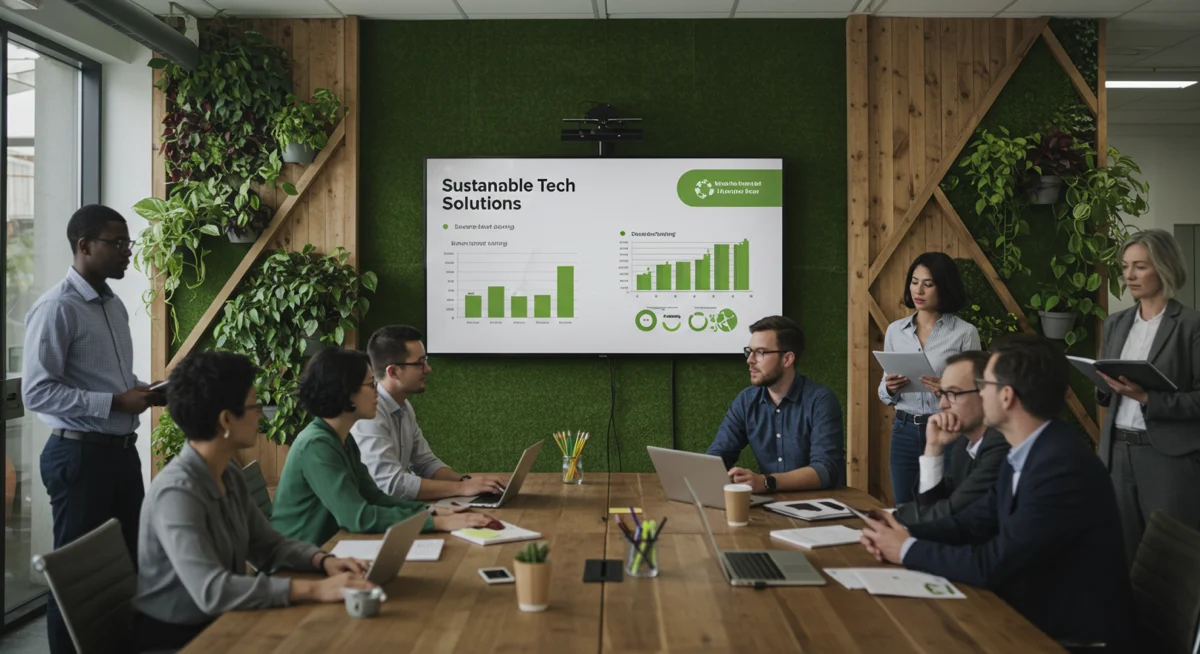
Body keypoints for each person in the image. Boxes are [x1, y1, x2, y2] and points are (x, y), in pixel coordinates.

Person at [859, 334, 1132, 649]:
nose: (979, 393)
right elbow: (972, 522)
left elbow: (993, 564)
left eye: (984, 385)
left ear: (1006, 396)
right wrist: (901, 532)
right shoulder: (1031, 449)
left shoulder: (1060, 465)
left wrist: (906, 549)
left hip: (1067, 637)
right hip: (1026, 612)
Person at [133, 351, 375, 651]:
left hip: (225, 620)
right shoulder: (176, 492)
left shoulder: (228, 472)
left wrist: (323, 561)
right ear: (226, 420)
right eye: (254, 406)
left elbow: (269, 546)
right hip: (182, 639)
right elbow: (212, 590)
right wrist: (315, 589)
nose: (260, 415)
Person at [22, 205, 165, 654]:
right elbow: (37, 393)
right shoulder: (56, 308)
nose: (127, 252)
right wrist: (115, 402)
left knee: (125, 567)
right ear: (84, 246)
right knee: (78, 577)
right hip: (79, 457)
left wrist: (142, 390)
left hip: (120, 453)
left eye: (128, 243)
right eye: (117, 243)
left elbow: (107, 379)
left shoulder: (113, 305)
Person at [271, 347, 493, 546]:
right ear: (345, 391)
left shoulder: (342, 438)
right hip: (298, 560)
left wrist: (433, 511)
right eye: (371, 385)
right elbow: (358, 517)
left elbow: (375, 498)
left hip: (328, 548)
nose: (377, 392)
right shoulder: (316, 445)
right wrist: (437, 522)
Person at [1095, 229, 1200, 564]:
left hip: (1166, 457)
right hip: (1116, 452)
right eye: (1126, 266)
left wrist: (1147, 398)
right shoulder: (1115, 323)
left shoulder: (1190, 326)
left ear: (1164, 267)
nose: (1129, 275)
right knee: (1120, 554)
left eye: (1140, 266)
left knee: (1170, 560)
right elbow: (1106, 390)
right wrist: (1102, 384)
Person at [353, 326, 510, 500]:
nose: (428, 369)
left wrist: (467, 481)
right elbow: (391, 485)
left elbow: (425, 464)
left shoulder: (403, 406)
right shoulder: (368, 414)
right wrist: (462, 488)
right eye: (419, 363)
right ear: (393, 372)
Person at [878, 252, 980, 504]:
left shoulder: (965, 333)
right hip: (904, 430)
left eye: (928, 284)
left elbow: (977, 391)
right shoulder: (895, 331)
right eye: (914, 282)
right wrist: (890, 388)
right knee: (904, 506)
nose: (918, 290)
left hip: (948, 428)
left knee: (946, 505)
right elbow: (883, 392)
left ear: (944, 287)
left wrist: (949, 389)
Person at [706, 315, 844, 492]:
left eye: (760, 352)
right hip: (770, 501)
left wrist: (766, 482)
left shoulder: (821, 401)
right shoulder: (746, 401)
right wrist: (709, 471)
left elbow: (826, 470)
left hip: (818, 502)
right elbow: (719, 454)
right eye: (750, 351)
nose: (750, 360)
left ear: (787, 359)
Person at [893, 351, 1009, 526]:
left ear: (987, 394)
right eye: (942, 393)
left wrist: (890, 519)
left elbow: (949, 515)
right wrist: (933, 448)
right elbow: (932, 507)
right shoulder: (964, 444)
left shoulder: (1002, 446)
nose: (942, 405)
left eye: (953, 393)